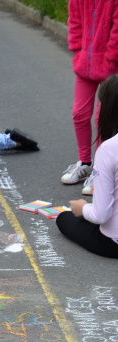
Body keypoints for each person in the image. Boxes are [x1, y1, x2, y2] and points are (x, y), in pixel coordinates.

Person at [56, 74, 118, 259]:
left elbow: (101, 215)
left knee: (64, 218)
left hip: (113, 242)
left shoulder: (108, 149)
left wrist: (82, 208)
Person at [61, 0, 118, 193]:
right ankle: (85, 163)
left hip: (110, 66)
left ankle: (102, 171)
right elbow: (74, 22)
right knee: (79, 114)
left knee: (103, 119)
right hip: (85, 64)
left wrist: (111, 58)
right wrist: (78, 51)